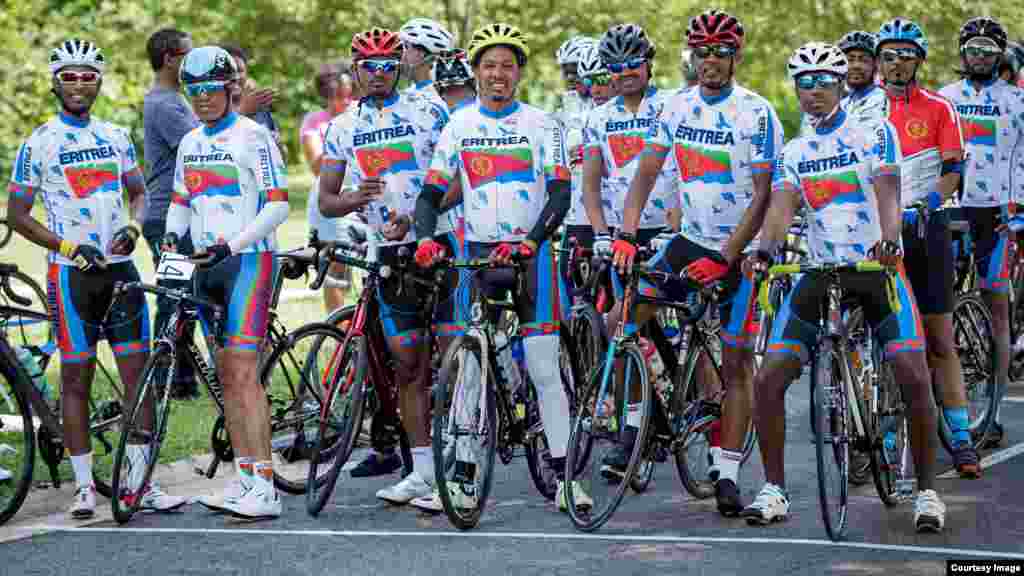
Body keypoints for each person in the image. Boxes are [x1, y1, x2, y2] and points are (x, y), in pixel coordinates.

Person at [742, 41, 947, 534]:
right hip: (820, 271)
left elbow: (887, 190)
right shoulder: (794, 151)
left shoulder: (873, 132)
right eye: (804, 83)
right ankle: (773, 490)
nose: (813, 92)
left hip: (876, 268)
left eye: (823, 82)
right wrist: (765, 251)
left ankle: (926, 491)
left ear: (839, 86)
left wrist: (890, 239)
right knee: (769, 379)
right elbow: (782, 207)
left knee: (912, 373)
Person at [609, 10, 783, 517]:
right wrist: (625, 231)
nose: (710, 61)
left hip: (740, 251)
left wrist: (728, 257)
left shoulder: (756, 112)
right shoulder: (678, 106)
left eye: (719, 53)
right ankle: (639, 422)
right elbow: (648, 169)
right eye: (702, 52)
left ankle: (726, 470)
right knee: (619, 322)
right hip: (689, 238)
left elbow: (763, 195)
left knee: (735, 363)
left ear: (734, 56)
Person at [413, 22, 593, 514]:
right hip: (477, 254)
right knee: (470, 365)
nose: (498, 74)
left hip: (530, 254)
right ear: (475, 73)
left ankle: (564, 476)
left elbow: (560, 192)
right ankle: (466, 475)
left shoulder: (541, 125)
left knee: (541, 366)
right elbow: (431, 193)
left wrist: (533, 242)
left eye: (507, 66)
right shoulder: (459, 126)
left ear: (519, 73)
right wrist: (427, 237)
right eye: (489, 66)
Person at [7, 39, 185, 519]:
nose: (80, 84)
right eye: (70, 75)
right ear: (55, 82)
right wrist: (66, 246)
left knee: (138, 380)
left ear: (99, 82)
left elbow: (139, 192)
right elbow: (17, 215)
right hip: (72, 277)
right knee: (76, 382)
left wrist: (131, 226)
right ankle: (84, 487)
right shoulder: (38, 142)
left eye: (88, 75)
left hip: (121, 273)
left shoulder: (115, 134)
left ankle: (139, 482)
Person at [318, 28, 450, 503]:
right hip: (389, 255)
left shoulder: (428, 110)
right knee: (408, 365)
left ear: (399, 66)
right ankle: (421, 469)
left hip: (439, 243)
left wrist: (420, 217)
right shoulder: (342, 127)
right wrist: (354, 196)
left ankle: (463, 467)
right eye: (367, 66)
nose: (377, 74)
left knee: (455, 361)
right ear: (354, 70)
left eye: (386, 65)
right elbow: (328, 200)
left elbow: (457, 175)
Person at [168, 46, 290, 519]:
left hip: (248, 262)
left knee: (243, 369)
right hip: (204, 267)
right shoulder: (190, 142)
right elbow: (182, 200)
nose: (202, 99)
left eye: (210, 90)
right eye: (193, 91)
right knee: (225, 373)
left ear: (230, 88)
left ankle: (265, 485)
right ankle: (244, 480)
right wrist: (174, 236)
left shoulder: (253, 136)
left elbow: (278, 205)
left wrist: (233, 245)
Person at [871, 18, 979, 477]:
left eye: (906, 55)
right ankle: (888, 429)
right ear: (879, 62)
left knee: (937, 337)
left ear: (918, 61)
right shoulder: (861, 109)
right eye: (889, 55)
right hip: (878, 235)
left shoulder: (939, 108)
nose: (897, 64)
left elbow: (953, 169)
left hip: (925, 229)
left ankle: (960, 432)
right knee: (885, 339)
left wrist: (929, 202)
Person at [940, 17, 1024, 453]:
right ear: (961, 52)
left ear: (1000, 56)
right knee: (938, 302)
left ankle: (990, 412)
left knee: (996, 306)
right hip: (952, 209)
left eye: (988, 50)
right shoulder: (944, 99)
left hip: (999, 213)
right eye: (972, 48)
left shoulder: (1016, 100)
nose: (979, 56)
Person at [143, 28, 200, 399]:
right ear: (169, 58)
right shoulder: (164, 103)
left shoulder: (176, 99)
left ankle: (182, 380)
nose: (193, 63)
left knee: (186, 296)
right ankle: (161, 382)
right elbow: (199, 146)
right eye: (188, 56)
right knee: (173, 296)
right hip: (166, 217)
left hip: (178, 214)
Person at [302, 60, 355, 313]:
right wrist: (338, 135)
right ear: (326, 96)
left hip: (363, 199)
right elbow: (316, 167)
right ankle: (341, 330)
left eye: (349, 96)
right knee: (335, 270)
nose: (346, 102)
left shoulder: (361, 114)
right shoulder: (315, 122)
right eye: (339, 97)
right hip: (331, 202)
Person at [220, 43, 283, 158]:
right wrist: (243, 111)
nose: (235, 77)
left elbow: (281, 156)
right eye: (228, 72)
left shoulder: (259, 106)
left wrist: (277, 146)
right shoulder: (209, 109)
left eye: (240, 70)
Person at [399, 18, 453, 110]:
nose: (401, 52)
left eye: (405, 46)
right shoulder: (409, 92)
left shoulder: (439, 99)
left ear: (421, 53)